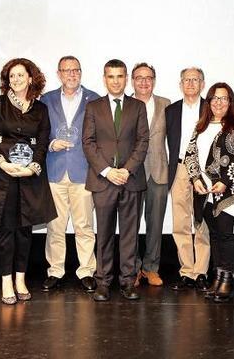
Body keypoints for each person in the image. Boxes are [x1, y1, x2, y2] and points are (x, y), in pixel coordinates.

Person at [0, 58, 57, 304]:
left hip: (29, 178)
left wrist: (32, 168)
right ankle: (6, 281)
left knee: (24, 231)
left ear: (31, 78)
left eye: (21, 75)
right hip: (2, 176)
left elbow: (42, 143)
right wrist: (2, 163)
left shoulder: (40, 109)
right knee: (5, 231)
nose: (16, 80)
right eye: (12, 76)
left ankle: (21, 278)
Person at [82, 59, 150, 302]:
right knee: (105, 234)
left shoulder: (138, 107)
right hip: (103, 181)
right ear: (104, 78)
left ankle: (128, 282)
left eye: (120, 76)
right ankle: (103, 282)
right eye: (111, 76)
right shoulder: (93, 107)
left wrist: (127, 170)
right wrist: (108, 171)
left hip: (130, 180)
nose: (116, 81)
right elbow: (88, 143)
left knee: (130, 235)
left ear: (126, 79)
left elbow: (143, 141)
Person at [184, 82, 234, 303]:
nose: (219, 102)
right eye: (214, 98)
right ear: (209, 101)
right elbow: (190, 154)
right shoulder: (200, 126)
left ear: (230, 101)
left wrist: (225, 182)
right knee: (213, 236)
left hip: (227, 190)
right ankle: (217, 279)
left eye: (224, 98)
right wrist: (194, 179)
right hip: (203, 189)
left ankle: (227, 281)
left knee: (225, 234)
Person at [39, 56, 100, 293]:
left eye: (75, 70)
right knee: (55, 225)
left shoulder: (94, 99)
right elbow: (40, 133)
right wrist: (51, 143)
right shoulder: (46, 100)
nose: (71, 74)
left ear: (81, 72)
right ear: (59, 74)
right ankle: (55, 271)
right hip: (54, 170)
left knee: (84, 225)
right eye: (66, 71)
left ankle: (86, 271)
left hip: (83, 171)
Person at [165, 67, 210, 290]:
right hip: (180, 168)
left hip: (204, 171)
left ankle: (201, 271)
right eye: (186, 80)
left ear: (202, 84)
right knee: (180, 222)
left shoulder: (211, 108)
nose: (191, 84)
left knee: (201, 221)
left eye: (195, 80)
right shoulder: (171, 110)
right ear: (180, 84)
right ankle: (186, 271)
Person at [130, 63, 171, 287]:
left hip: (159, 173)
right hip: (133, 173)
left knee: (155, 224)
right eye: (139, 78)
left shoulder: (167, 104)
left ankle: (151, 268)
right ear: (132, 81)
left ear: (154, 80)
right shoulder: (125, 104)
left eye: (148, 78)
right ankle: (133, 269)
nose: (144, 82)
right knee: (131, 224)